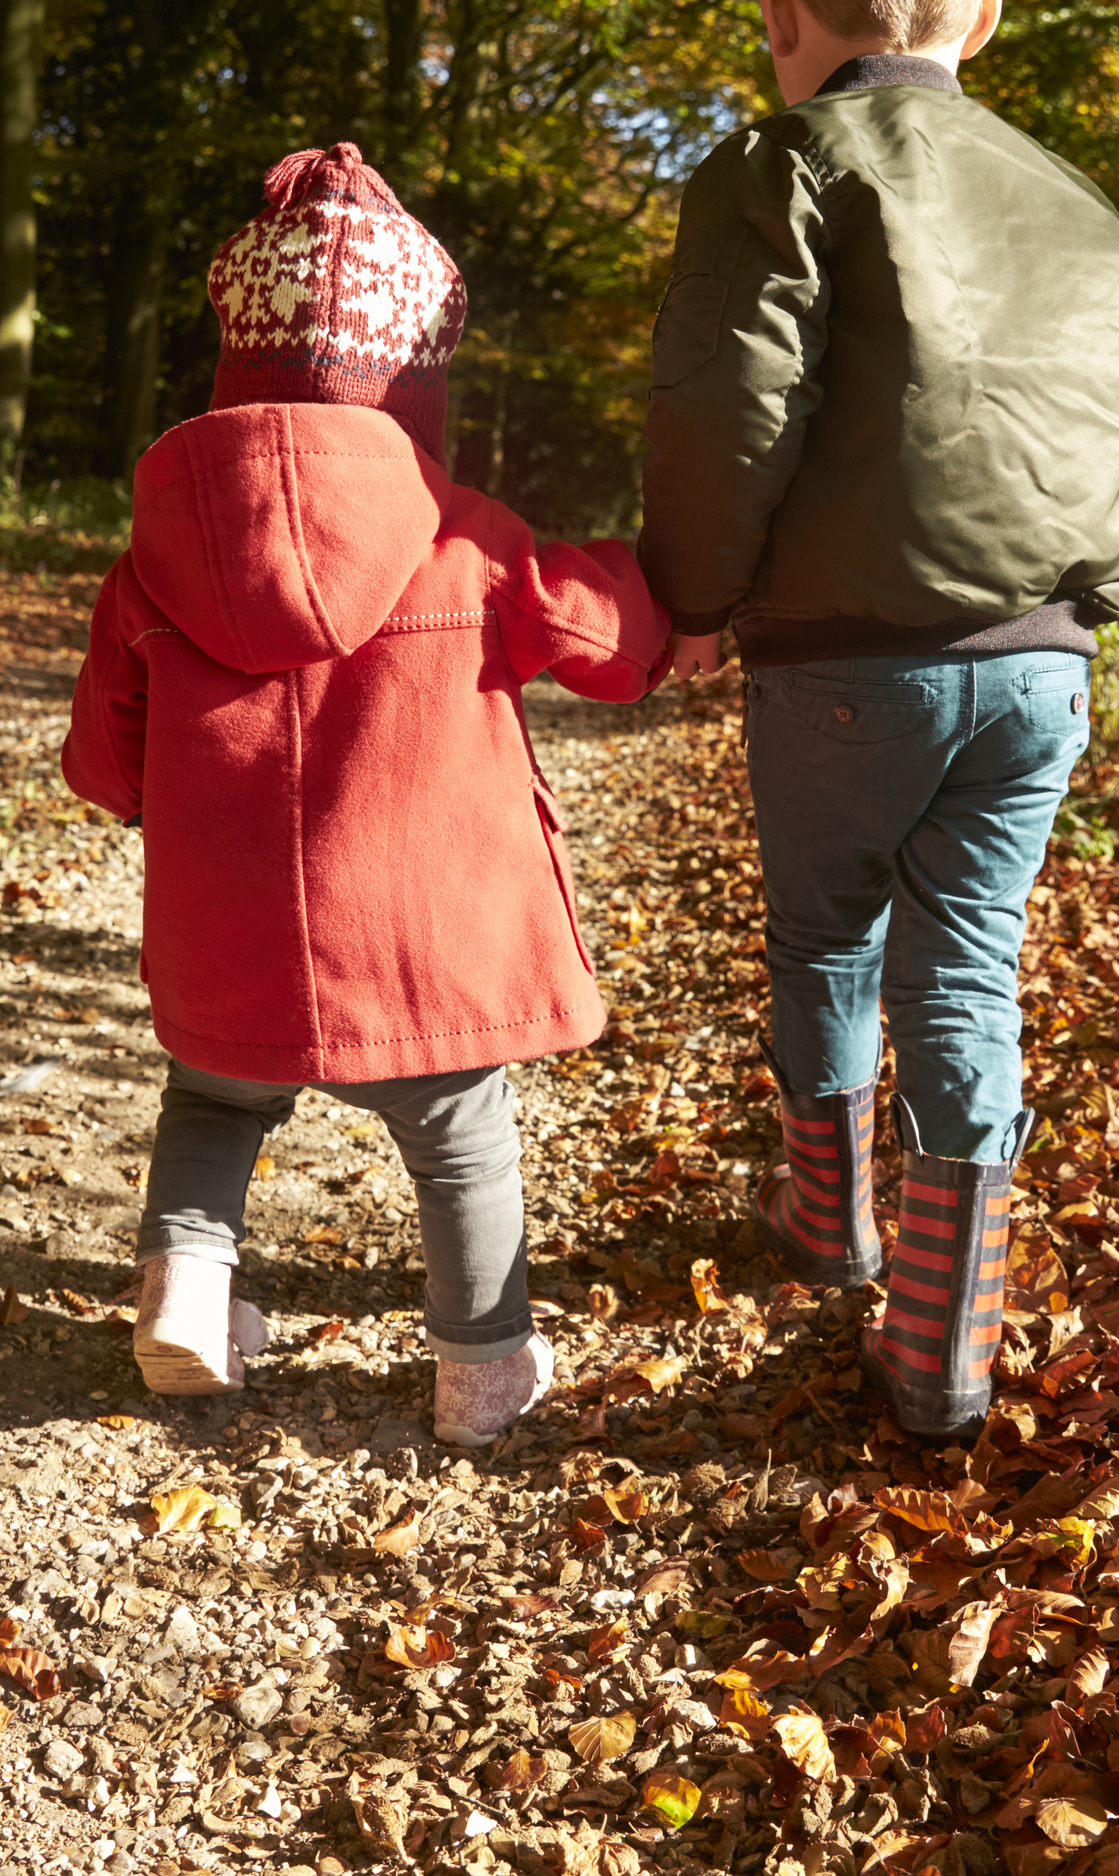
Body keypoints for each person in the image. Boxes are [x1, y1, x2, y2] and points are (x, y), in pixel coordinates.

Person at [638, 0, 1119, 1439]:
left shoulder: (778, 169)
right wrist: (1087, 600)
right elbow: (1107, 416)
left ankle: (828, 1214)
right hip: (1043, 665)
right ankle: (944, 1329)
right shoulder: (1079, 206)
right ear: (982, 19)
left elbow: (729, 406)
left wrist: (695, 598)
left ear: (779, 18)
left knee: (829, 934)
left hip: (847, 664)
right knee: (970, 969)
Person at [62, 143, 670, 1448]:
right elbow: (605, 640)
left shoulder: (151, 558)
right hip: (423, 952)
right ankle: (482, 1370)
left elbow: (105, 757)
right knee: (461, 1135)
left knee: (214, 1101)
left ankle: (186, 1295)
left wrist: (145, 799)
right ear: (415, 376)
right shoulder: (469, 539)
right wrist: (681, 612)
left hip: (232, 941)